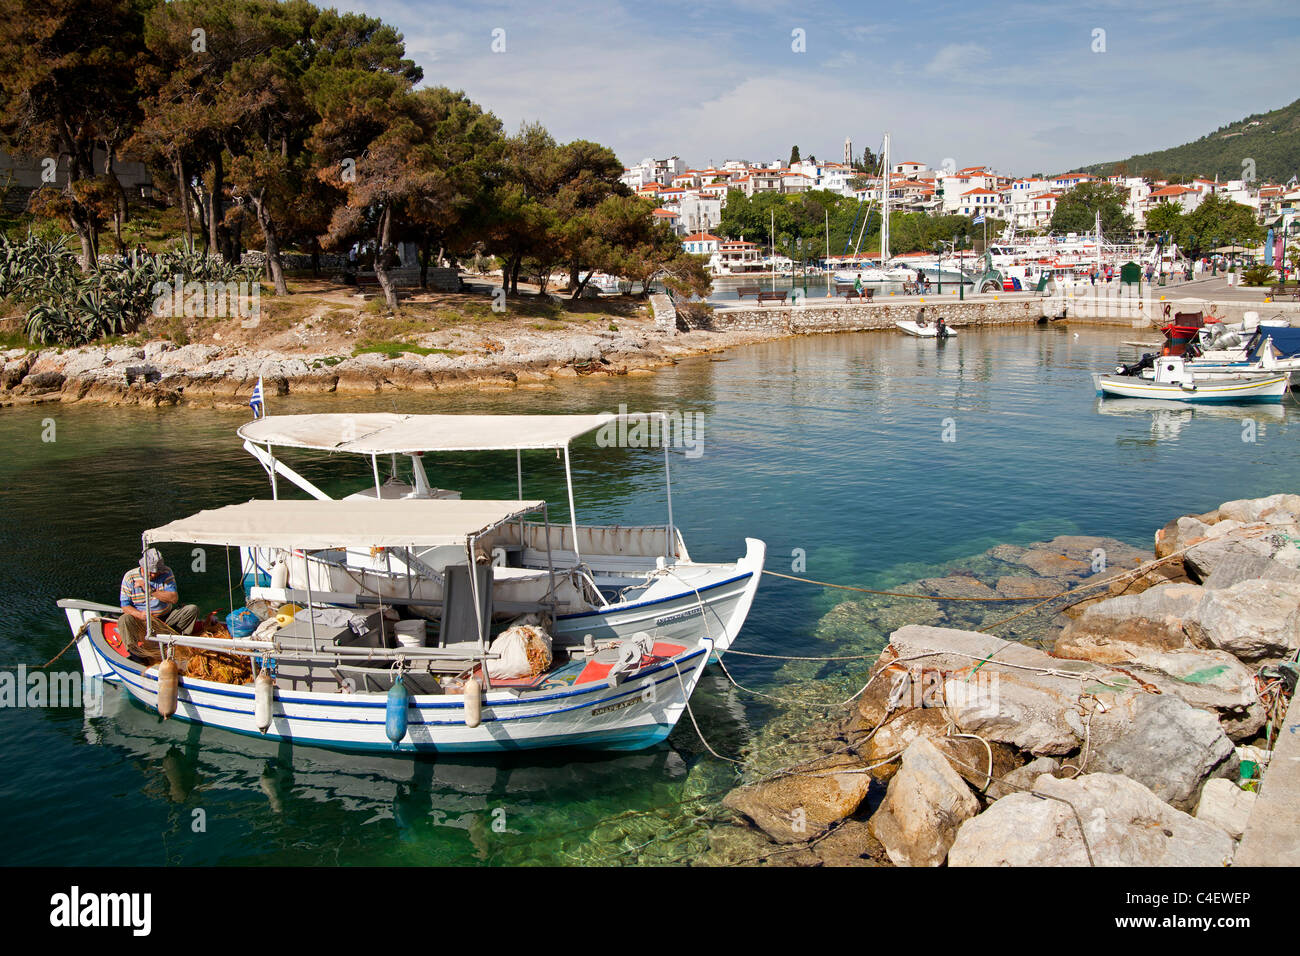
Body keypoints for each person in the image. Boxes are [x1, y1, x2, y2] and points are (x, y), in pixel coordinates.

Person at [118, 548, 199, 662]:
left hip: (165, 618)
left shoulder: (166, 573)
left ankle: (176, 637)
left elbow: (173, 598)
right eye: (150, 572)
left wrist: (150, 589)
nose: (153, 575)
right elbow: (125, 606)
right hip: (141, 621)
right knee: (124, 619)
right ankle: (135, 653)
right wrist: (140, 615)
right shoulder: (129, 577)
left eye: (156, 572)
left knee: (192, 609)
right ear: (142, 567)